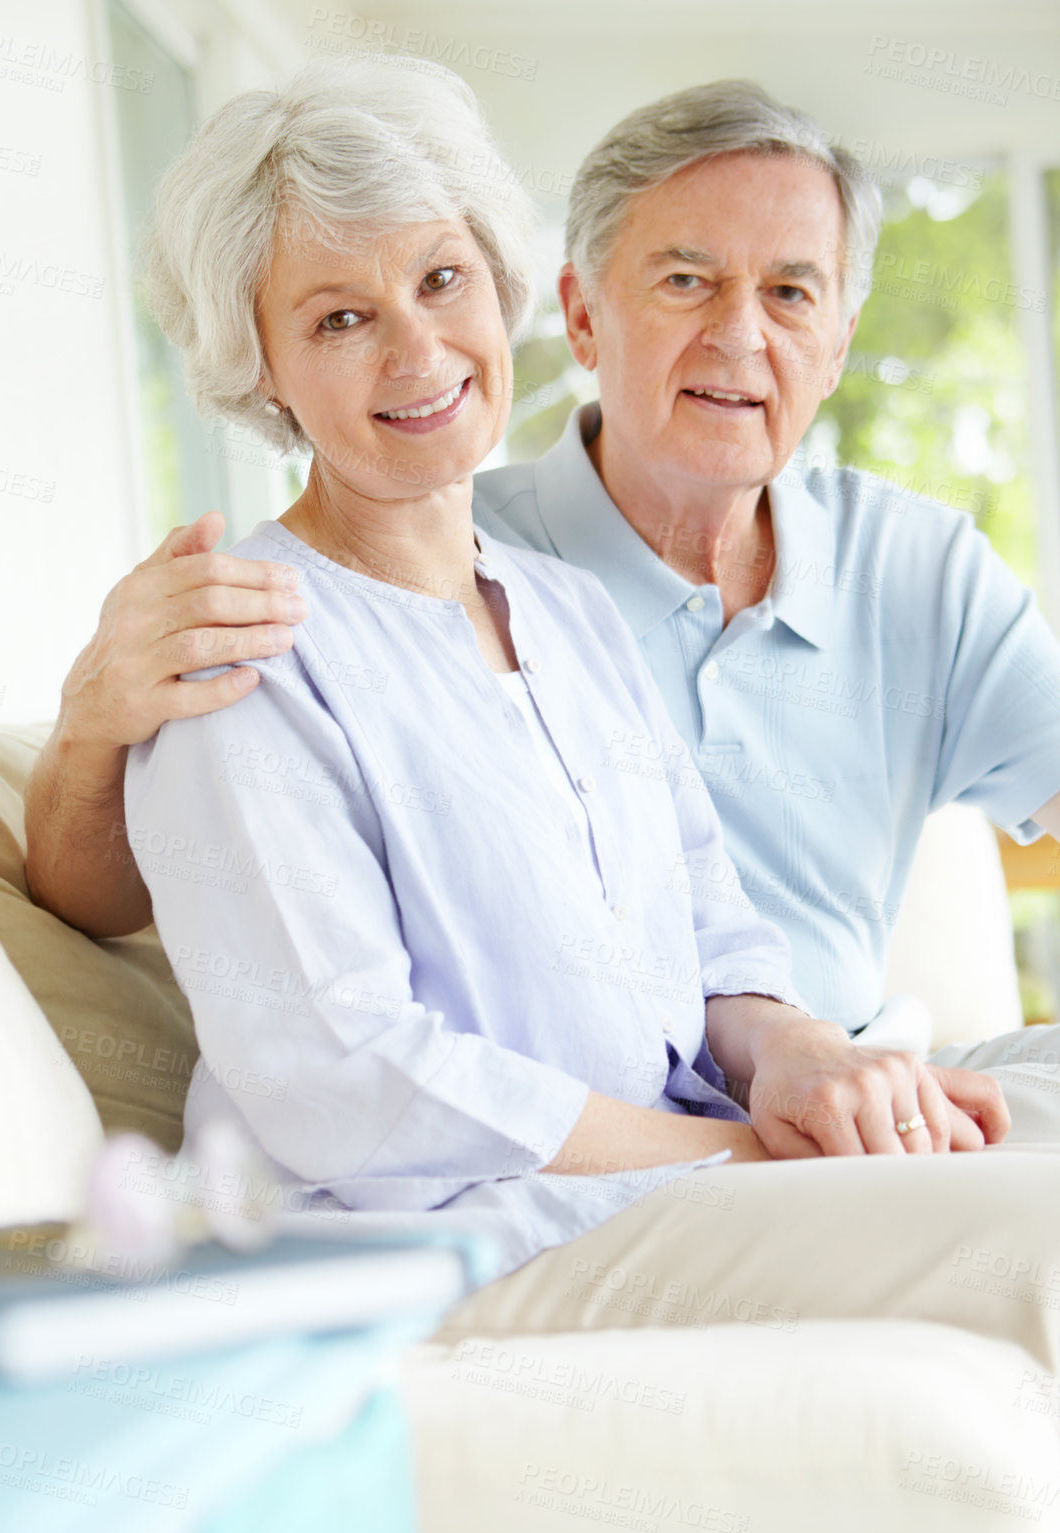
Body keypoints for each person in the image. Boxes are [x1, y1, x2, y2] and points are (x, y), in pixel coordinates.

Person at [86, 58, 1060, 1379]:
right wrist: (737, 1148)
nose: (418, 352)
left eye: (439, 281)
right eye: (336, 318)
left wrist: (797, 1066)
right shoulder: (246, 647)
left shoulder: (559, 610)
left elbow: (716, 937)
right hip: (455, 1239)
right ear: (257, 363)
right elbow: (348, 1084)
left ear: (497, 286)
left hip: (668, 1178)